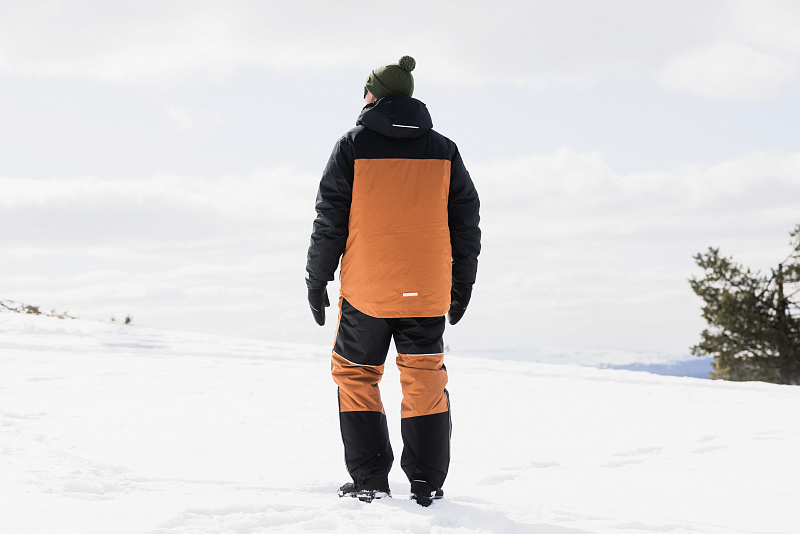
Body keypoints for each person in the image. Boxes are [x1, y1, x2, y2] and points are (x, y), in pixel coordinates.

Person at [305, 55, 481, 507]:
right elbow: (466, 222)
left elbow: (330, 220)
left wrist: (317, 278)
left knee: (356, 375)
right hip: (427, 291)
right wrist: (463, 284)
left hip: (367, 291)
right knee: (424, 379)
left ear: (373, 94)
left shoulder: (352, 145)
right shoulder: (444, 149)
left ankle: (369, 481)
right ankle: (426, 484)